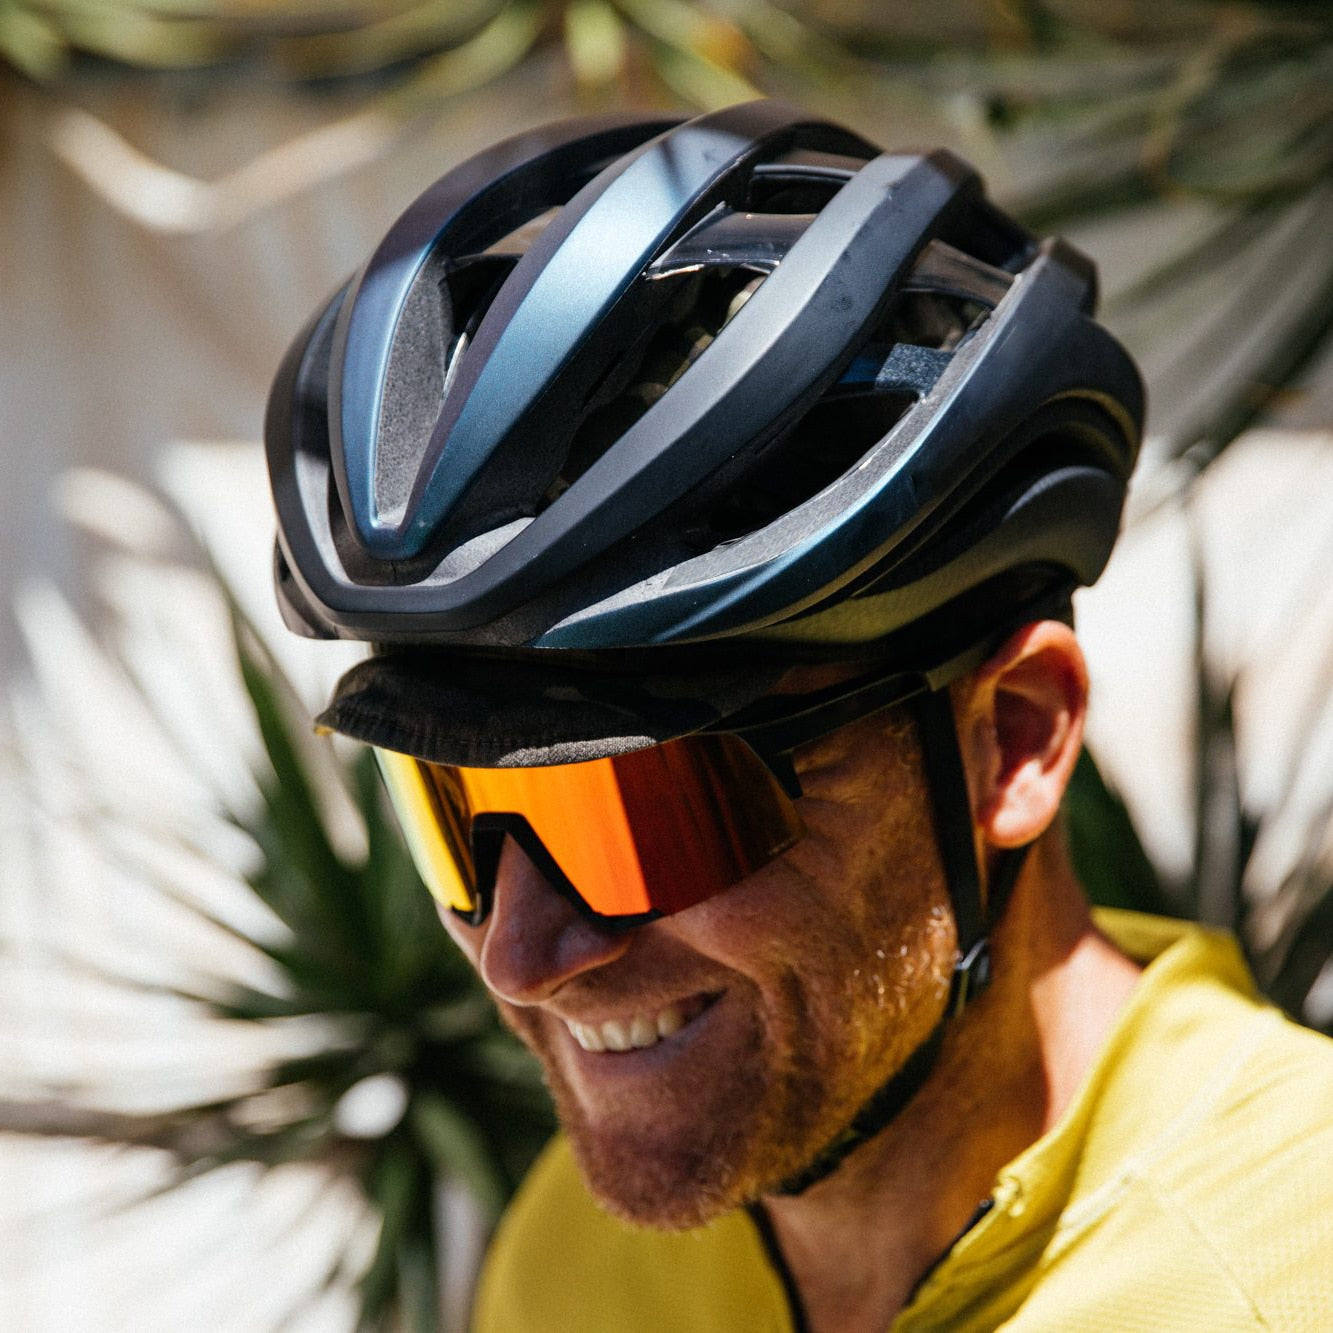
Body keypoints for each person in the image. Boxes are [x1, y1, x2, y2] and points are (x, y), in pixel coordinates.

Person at [265, 102, 1333, 1330]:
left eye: (642, 812)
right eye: (453, 813)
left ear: (1013, 739)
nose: (518, 957)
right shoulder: (572, 1263)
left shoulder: (1285, 1272)